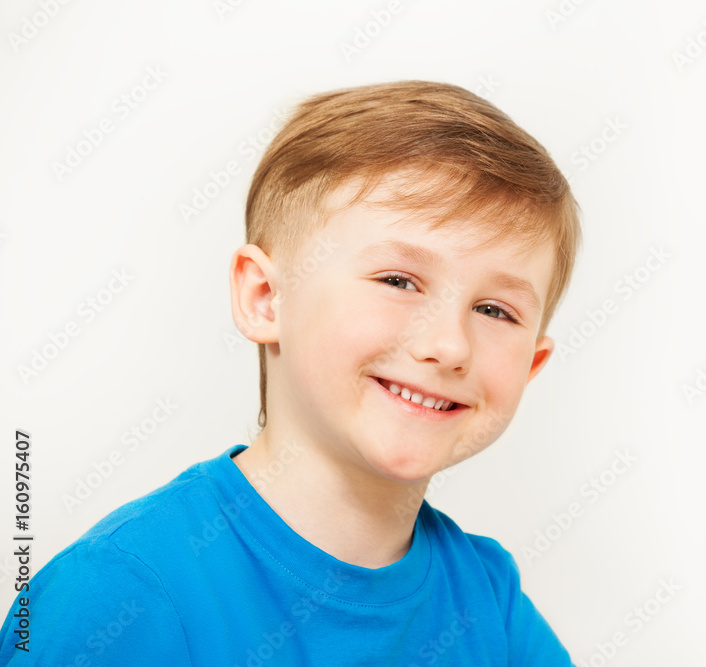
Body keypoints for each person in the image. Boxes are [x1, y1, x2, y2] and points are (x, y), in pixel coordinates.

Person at [0, 79, 582, 665]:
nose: (448, 344)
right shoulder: (121, 593)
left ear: (531, 366)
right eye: (398, 281)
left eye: (494, 311)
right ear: (265, 298)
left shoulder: (490, 599)